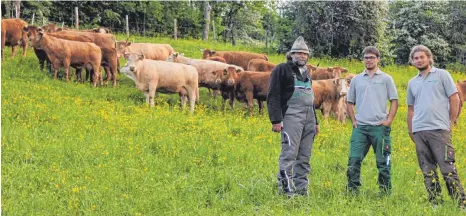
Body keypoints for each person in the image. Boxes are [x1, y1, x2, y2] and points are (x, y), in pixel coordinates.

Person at [406, 45, 465, 208]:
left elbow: (454, 98)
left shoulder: (442, 75)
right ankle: (435, 202)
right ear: (412, 61)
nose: (419, 60)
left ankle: (461, 203)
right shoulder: (412, 83)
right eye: (415, 58)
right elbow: (410, 109)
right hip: (420, 131)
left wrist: (451, 122)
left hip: (439, 129)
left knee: (447, 167)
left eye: (421, 57)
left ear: (429, 58)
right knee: (427, 169)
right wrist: (411, 130)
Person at [267, 36, 319, 197]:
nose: (302, 56)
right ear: (291, 54)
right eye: (298, 53)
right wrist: (276, 119)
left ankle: (302, 189)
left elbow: (310, 97)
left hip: (309, 117)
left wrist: (316, 121)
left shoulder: (307, 72)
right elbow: (273, 95)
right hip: (291, 116)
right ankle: (285, 190)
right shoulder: (281, 69)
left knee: (304, 155)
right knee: (289, 153)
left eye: (304, 54)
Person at [346, 46, 398, 195]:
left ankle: (385, 192)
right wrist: (353, 120)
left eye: (372, 57)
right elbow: (349, 102)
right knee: (353, 160)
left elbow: (394, 100)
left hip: (379, 128)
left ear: (378, 59)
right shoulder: (356, 79)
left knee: (384, 162)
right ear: (363, 60)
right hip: (360, 128)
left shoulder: (386, 79)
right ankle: (353, 190)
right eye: (366, 58)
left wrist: (389, 120)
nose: (369, 60)